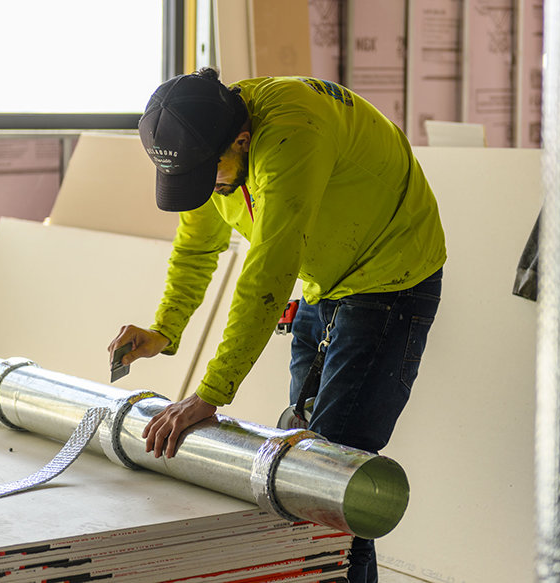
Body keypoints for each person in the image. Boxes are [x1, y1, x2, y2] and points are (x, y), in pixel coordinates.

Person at [108, 67, 446, 583]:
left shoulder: (292, 132)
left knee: (329, 478)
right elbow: (198, 248)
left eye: (212, 175)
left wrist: (210, 393)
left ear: (243, 140)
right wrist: (164, 329)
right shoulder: (208, 143)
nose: (211, 188)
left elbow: (268, 270)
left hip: (389, 276)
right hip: (324, 278)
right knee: (299, 455)